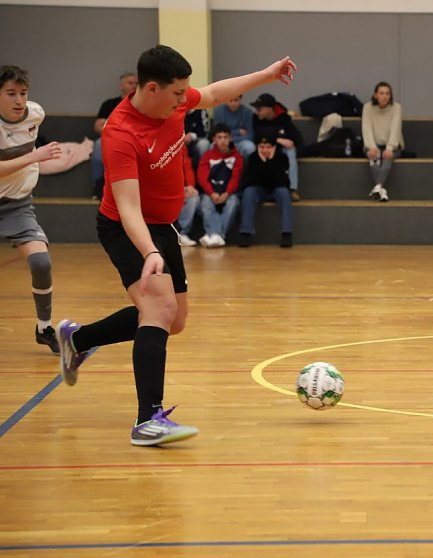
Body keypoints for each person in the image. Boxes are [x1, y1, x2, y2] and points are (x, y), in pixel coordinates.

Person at [56, 45, 298, 446]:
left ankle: (78, 340)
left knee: (175, 320)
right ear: (151, 88)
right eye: (176, 94)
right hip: (125, 228)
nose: (183, 101)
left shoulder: (174, 100)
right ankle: (147, 419)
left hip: (162, 225)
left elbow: (217, 93)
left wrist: (267, 75)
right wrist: (150, 251)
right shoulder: (120, 134)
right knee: (158, 308)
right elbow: (128, 207)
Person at [0, 65, 63, 354]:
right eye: (11, 93)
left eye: (22, 93)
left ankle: (44, 327)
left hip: (18, 206)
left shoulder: (35, 113)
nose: (18, 100)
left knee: (41, 263)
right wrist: (34, 156)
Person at [237, 133, 293, 248]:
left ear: (274, 148)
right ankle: (245, 233)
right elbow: (250, 181)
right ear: (258, 147)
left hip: (276, 189)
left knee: (284, 193)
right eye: (262, 147)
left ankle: (286, 233)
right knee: (249, 192)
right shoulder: (253, 158)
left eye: (268, 147)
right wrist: (263, 163)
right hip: (259, 190)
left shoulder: (282, 158)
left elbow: (283, 182)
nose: (265, 150)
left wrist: (270, 162)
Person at [196, 123, 243, 247]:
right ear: (214, 139)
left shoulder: (236, 156)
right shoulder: (207, 156)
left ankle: (213, 235)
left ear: (230, 138)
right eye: (219, 137)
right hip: (210, 192)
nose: (222, 141)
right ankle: (218, 236)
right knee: (206, 203)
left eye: (225, 137)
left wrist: (227, 193)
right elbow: (202, 177)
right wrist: (211, 193)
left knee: (233, 202)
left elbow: (235, 178)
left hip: (229, 193)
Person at [92, 71, 137, 199]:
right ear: (121, 86)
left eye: (136, 83)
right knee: (99, 144)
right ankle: (99, 186)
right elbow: (97, 126)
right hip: (112, 139)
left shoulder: (142, 105)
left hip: (135, 140)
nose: (134, 86)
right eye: (130, 83)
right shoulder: (109, 104)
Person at [250, 92, 303, 202]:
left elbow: (296, 139)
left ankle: (292, 189)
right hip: (263, 149)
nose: (257, 112)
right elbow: (257, 136)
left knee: (290, 150)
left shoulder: (284, 119)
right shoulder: (255, 119)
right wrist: (277, 138)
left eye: (259, 109)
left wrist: (277, 139)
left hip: (280, 152)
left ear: (269, 109)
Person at [361, 82, 403, 203]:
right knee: (373, 156)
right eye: (381, 93)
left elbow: (395, 128)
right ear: (375, 95)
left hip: (392, 145)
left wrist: (390, 147)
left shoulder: (396, 107)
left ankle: (378, 187)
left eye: (387, 93)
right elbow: (366, 128)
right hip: (373, 144)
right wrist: (372, 147)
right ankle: (381, 190)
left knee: (387, 157)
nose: (384, 96)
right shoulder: (367, 108)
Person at [175, 146, 200, 247]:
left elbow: (187, 166)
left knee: (193, 196)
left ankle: (182, 234)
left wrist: (190, 186)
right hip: (163, 189)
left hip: (181, 189)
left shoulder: (181, 145)